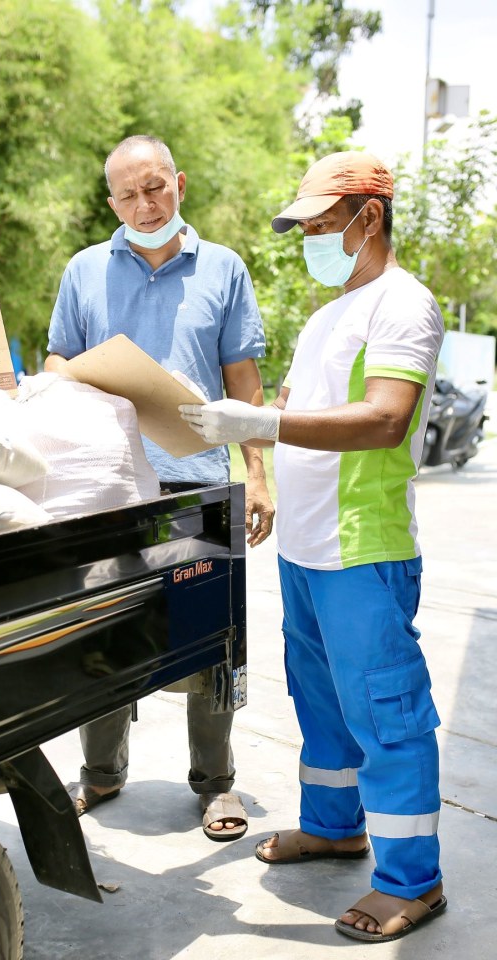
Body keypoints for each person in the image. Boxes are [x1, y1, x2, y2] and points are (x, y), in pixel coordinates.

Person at [180, 151, 446, 938]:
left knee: (386, 710)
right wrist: (252, 449)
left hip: (364, 547)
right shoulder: (329, 314)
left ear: (370, 216)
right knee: (322, 700)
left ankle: (413, 881)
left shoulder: (404, 305)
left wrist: (260, 422)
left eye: (324, 225)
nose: (313, 239)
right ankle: (335, 826)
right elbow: (295, 407)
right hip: (305, 547)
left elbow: (385, 418)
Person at [45, 135, 274, 841]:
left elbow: (243, 381)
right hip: (109, 487)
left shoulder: (224, 269)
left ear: (179, 183)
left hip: (198, 483)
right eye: (128, 194)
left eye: (156, 188)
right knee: (101, 634)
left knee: (212, 639)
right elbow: (59, 356)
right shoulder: (84, 270)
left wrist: (256, 474)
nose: (145, 206)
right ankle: (101, 775)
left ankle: (215, 784)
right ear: (109, 200)